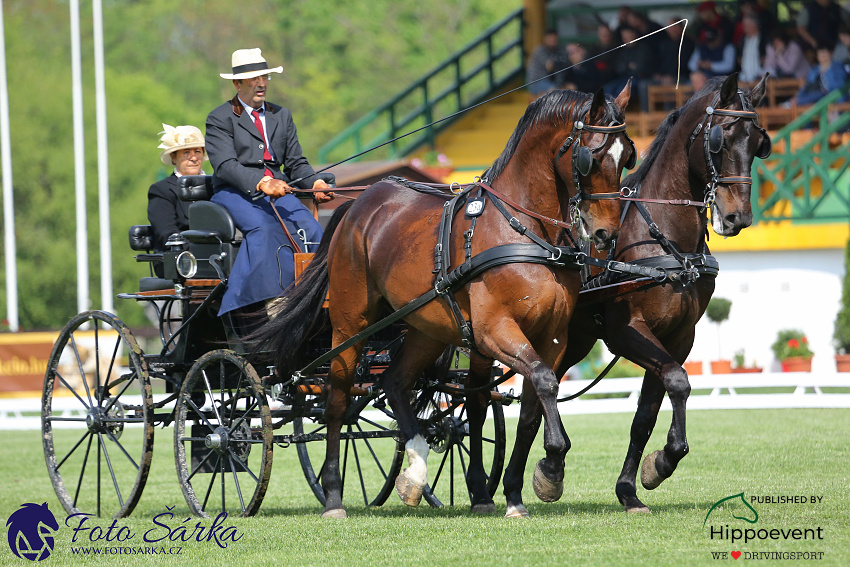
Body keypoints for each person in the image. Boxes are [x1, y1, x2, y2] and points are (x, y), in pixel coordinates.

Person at [205, 48, 333, 329]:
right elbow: (225, 165)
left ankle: (314, 299)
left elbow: (296, 162)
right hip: (235, 191)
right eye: (254, 78)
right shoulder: (220, 118)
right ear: (238, 84)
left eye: (264, 76)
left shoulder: (281, 115)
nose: (261, 83)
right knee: (265, 229)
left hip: (278, 189)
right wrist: (262, 182)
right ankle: (269, 303)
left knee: (312, 231)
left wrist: (315, 183)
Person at [147, 124, 206, 272]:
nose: (193, 158)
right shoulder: (161, 190)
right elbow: (167, 232)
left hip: (220, 256)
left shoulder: (217, 186)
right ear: (174, 157)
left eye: (197, 151)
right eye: (186, 152)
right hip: (180, 260)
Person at [688, 26, 736, 91]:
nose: (710, 43)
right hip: (703, 82)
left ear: (719, 37)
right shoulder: (701, 47)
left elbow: (729, 65)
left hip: (723, 82)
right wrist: (700, 65)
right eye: (709, 41)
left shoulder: (728, 46)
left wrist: (711, 65)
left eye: (713, 40)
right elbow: (691, 65)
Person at [527, 29, 567, 97]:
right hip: (537, 82)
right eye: (550, 39)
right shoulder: (539, 51)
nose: (552, 41)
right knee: (555, 92)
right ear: (544, 39)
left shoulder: (559, 50)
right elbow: (549, 66)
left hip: (554, 83)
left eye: (554, 39)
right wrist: (563, 63)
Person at [736, 14, 767, 83]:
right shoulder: (743, 40)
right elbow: (738, 56)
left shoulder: (763, 39)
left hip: (760, 78)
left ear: (754, 25)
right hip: (744, 78)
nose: (744, 27)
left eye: (746, 25)